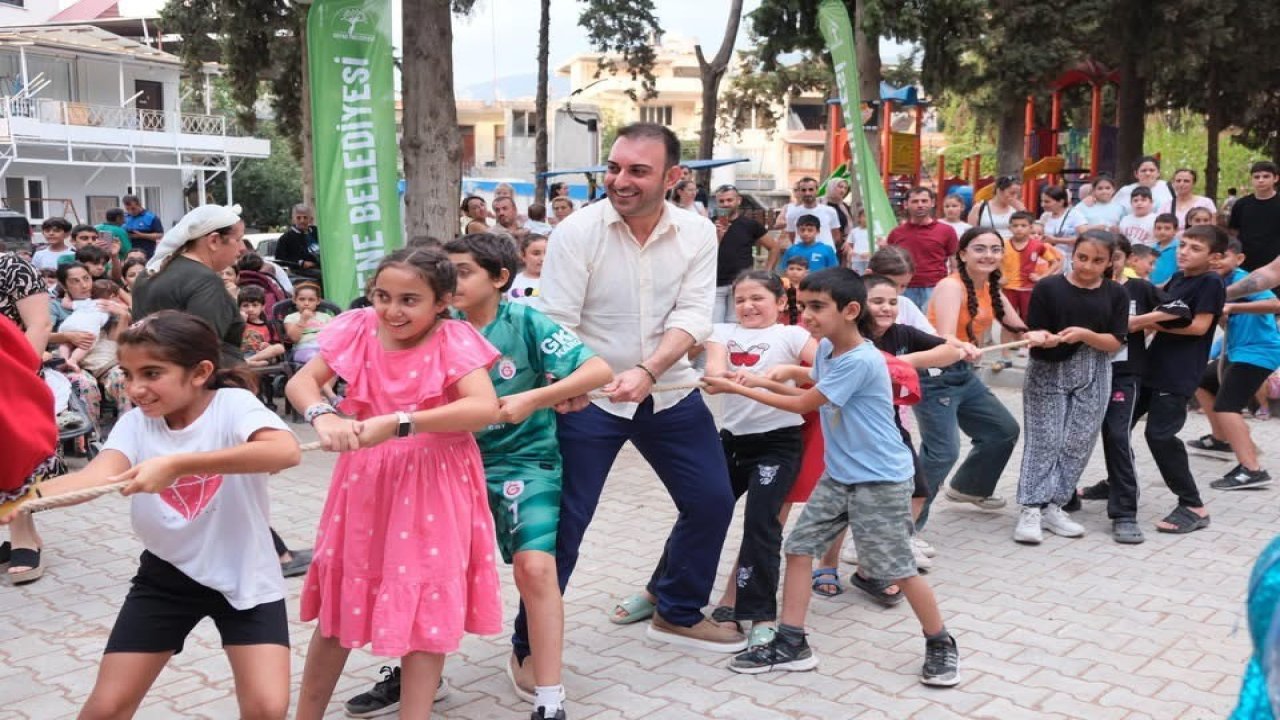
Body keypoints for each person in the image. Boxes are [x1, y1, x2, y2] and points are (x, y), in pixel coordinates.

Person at [2, 310, 300, 719]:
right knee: (105, 709)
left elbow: (284, 451)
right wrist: (22, 499)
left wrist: (178, 465)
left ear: (200, 372)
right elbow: (94, 477)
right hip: (166, 578)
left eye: (152, 373)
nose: (136, 388)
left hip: (247, 573)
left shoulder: (233, 405)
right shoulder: (135, 424)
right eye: (128, 374)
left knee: (268, 708)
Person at [531, 123, 742, 670]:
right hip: (589, 401)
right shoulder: (577, 232)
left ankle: (677, 609)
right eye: (614, 167)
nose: (620, 181)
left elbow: (695, 315)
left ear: (673, 177)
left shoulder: (697, 232)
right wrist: (579, 382)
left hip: (668, 392)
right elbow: (555, 323)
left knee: (712, 501)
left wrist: (649, 370)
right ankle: (528, 649)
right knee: (564, 526)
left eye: (637, 171)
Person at [703, 268, 960, 687]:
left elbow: (804, 402)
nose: (806, 315)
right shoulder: (827, 351)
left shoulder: (860, 359)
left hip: (880, 480)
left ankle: (940, 642)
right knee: (799, 549)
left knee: (896, 568)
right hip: (840, 476)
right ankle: (792, 642)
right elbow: (814, 393)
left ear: (851, 310)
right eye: (803, 306)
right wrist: (758, 378)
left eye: (817, 307)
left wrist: (738, 388)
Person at [287, 246, 504, 720]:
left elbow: (483, 408)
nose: (392, 310)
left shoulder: (454, 338)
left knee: (425, 608)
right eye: (383, 295)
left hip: (434, 484)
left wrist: (401, 422)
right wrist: (322, 415)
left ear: (441, 302)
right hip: (365, 482)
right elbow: (302, 383)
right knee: (339, 605)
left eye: (410, 300)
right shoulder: (360, 327)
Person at [436, 234, 610, 719]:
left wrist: (535, 398)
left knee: (536, 567)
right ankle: (415, 677)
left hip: (525, 462)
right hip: (446, 465)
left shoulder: (527, 320)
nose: (451, 282)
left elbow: (596, 370)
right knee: (429, 573)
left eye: (464, 271)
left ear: (499, 278)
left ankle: (550, 699)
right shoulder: (435, 326)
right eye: (446, 271)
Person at [131, 203, 311, 576]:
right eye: (236, 241)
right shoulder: (204, 282)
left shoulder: (152, 275)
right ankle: (270, 554)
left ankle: (270, 549)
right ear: (213, 241)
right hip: (208, 390)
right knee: (229, 478)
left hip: (168, 388)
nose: (241, 249)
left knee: (214, 479)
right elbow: (205, 348)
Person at [702, 270, 816, 648]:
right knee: (699, 513)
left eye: (758, 298)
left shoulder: (792, 335)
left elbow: (825, 369)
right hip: (731, 442)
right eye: (740, 299)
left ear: (781, 303)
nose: (748, 306)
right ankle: (664, 594)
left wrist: (787, 372)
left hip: (778, 444)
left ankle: (760, 613)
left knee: (761, 527)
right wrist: (722, 377)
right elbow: (714, 370)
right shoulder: (722, 332)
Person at [1013, 231, 1127, 544]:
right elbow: (1035, 332)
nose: (1088, 266)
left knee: (1079, 440)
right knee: (1045, 439)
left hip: (1096, 369)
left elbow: (1115, 342)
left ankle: (1055, 505)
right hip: (1048, 369)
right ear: (1072, 255)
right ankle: (1031, 507)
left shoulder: (1116, 293)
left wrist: (1084, 334)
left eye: (1098, 260)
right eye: (1083, 257)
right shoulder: (1049, 286)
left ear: (1109, 262)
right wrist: (1042, 336)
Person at [1128, 224, 1228, 533]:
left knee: (1159, 436)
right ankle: (1118, 482)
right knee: (1116, 425)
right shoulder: (1180, 277)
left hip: (1178, 372)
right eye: (1183, 245)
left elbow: (1199, 327)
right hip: (1152, 366)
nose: (1184, 251)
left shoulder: (1211, 282)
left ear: (1215, 257)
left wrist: (1147, 324)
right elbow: (1162, 307)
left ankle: (1193, 505)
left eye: (1195, 248)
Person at [921, 227, 1025, 520]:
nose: (988, 255)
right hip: (935, 376)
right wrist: (965, 346)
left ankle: (969, 488)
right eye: (980, 248)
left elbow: (1017, 325)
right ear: (963, 254)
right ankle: (901, 530)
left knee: (1002, 431)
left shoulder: (991, 286)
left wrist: (1041, 334)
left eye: (994, 249)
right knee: (942, 453)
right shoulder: (951, 286)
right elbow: (944, 338)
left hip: (964, 373)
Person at [1074, 237, 1163, 543]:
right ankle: (1063, 496)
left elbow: (1180, 309)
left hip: (1124, 375)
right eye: (1093, 257)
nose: (1107, 263)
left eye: (1113, 257)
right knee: (1073, 434)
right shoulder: (1077, 287)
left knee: (1116, 435)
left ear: (1124, 258)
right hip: (1082, 373)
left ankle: (1125, 512)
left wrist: (1142, 322)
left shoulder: (1139, 288)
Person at [1188, 239, 1280, 491]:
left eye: (1223, 257)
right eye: (1213, 257)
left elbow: (1275, 304)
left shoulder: (1242, 278)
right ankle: (1221, 439)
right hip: (1237, 351)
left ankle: (1252, 469)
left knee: (1228, 405)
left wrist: (1231, 305)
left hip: (1259, 352)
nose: (1216, 262)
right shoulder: (1215, 282)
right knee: (1203, 379)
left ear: (1238, 259)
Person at [997, 211, 1062, 369]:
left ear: (1030, 227)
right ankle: (1004, 354)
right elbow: (994, 260)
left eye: (1023, 226)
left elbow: (1055, 262)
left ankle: (1025, 349)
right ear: (1009, 227)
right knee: (1006, 322)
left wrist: (1042, 276)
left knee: (1028, 321)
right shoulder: (1003, 245)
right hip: (1008, 289)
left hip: (1028, 289)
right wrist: (999, 276)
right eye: (1015, 225)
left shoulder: (1037, 245)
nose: (1019, 229)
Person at [887, 187, 960, 310]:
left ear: (932, 203)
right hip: (904, 287)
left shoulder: (946, 231)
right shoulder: (896, 233)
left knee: (932, 327)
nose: (920, 205)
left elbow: (955, 262)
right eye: (915, 201)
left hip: (935, 286)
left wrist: (955, 286)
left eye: (924, 201)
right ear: (906, 204)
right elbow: (889, 263)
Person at [712, 184, 774, 323]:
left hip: (741, 284)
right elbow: (702, 253)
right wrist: (718, 236)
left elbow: (773, 247)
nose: (725, 204)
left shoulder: (750, 224)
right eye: (721, 201)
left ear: (738, 200)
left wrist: (767, 272)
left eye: (729, 200)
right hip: (716, 284)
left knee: (736, 326)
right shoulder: (709, 224)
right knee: (714, 328)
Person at [1228, 161, 1280, 272]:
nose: (1261, 180)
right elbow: (1233, 232)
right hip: (1246, 262)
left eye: (1266, 176)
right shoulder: (1241, 204)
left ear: (1275, 178)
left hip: (1275, 263)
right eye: (1256, 177)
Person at [57, 279, 116, 372]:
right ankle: (73, 360)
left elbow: (65, 304)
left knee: (66, 343)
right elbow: (126, 308)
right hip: (88, 328)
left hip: (70, 324)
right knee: (85, 345)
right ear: (112, 296)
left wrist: (66, 295)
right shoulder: (110, 304)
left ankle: (63, 359)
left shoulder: (86, 301)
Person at [783, 177, 842, 252]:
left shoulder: (830, 211)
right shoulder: (792, 214)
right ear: (799, 192)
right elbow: (792, 236)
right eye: (803, 190)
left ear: (817, 190)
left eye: (811, 189)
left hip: (826, 257)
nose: (807, 193)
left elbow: (836, 236)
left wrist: (826, 250)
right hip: (802, 257)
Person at [284, 283, 334, 366]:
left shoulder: (326, 317)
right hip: (303, 349)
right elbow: (294, 338)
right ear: (294, 300)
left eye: (311, 300)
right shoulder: (291, 318)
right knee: (316, 358)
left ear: (318, 301)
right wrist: (303, 320)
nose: (306, 303)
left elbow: (335, 335)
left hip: (325, 348)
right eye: (302, 299)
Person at [238, 286, 286, 367]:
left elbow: (275, 344)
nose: (250, 309)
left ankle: (249, 362)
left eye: (255, 305)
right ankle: (250, 363)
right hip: (243, 355)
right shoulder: (237, 324)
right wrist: (241, 323)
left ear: (262, 307)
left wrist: (268, 345)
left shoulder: (269, 326)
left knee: (279, 347)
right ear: (239, 307)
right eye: (245, 306)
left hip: (261, 355)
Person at [274, 204, 322, 281]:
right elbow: (280, 258)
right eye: (298, 218)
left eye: (305, 217)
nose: (302, 221)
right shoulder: (286, 238)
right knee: (323, 275)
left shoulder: (317, 232)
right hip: (301, 270)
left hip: (322, 265)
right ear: (293, 219)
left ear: (311, 219)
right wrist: (301, 263)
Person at [1038, 185, 1082, 264]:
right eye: (1042, 201)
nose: (1042, 205)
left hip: (1068, 259)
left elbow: (1084, 238)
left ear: (1061, 202)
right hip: (1048, 258)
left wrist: (1056, 240)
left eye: (1047, 201)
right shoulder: (1045, 216)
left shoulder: (1075, 215)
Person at [508, 234, 548, 310]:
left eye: (546, 253)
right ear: (523, 256)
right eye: (536, 253)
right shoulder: (512, 282)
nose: (543, 258)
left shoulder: (558, 281)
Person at [122, 194, 164, 259]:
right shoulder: (124, 217)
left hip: (146, 254)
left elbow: (160, 235)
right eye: (127, 209)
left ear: (139, 204)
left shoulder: (151, 217)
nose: (131, 211)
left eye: (133, 208)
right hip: (128, 254)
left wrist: (141, 235)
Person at [1148, 213, 1181, 285]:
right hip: (1153, 287)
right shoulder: (1152, 249)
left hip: (1172, 287)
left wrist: (1164, 285)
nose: (1162, 232)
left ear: (1176, 230)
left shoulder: (1179, 248)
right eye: (1159, 228)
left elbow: (1180, 271)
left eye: (1167, 228)